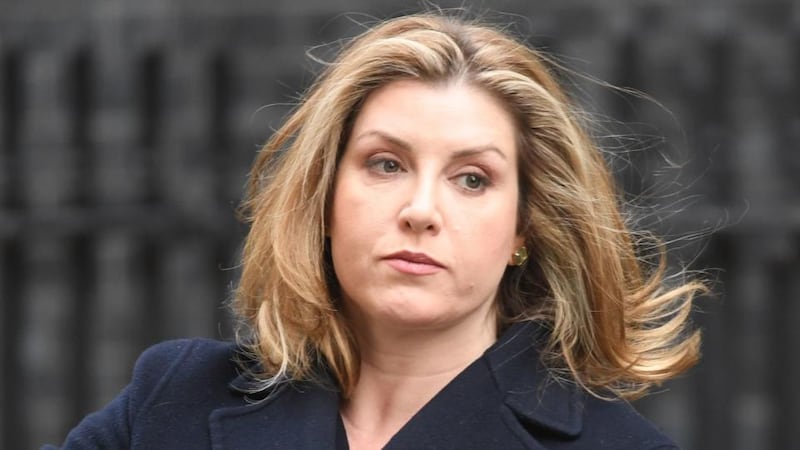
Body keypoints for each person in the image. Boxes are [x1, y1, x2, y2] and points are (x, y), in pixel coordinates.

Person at [46, 12, 706, 450]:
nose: (420, 210)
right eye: (386, 164)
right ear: (324, 200)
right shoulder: (176, 397)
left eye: (472, 179)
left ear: (523, 231)